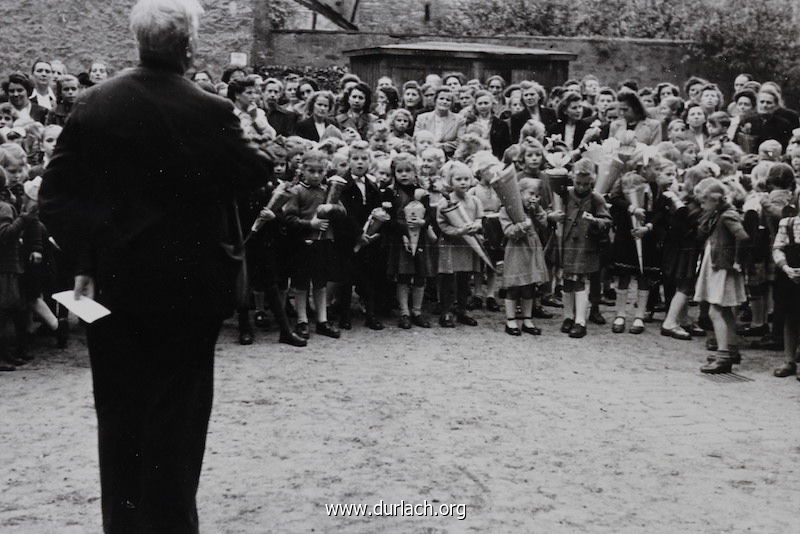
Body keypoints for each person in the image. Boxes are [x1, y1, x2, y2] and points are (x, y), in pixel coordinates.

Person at [38, 1, 273, 532]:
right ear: (189, 45)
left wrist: (91, 251)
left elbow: (54, 198)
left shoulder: (94, 102)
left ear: (136, 41)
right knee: (178, 417)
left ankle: (122, 524)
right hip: (190, 289)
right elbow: (254, 169)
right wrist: (259, 142)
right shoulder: (209, 110)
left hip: (112, 285)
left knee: (118, 411)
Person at [283, 150, 342, 340]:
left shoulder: (328, 192)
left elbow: (342, 212)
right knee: (301, 284)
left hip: (323, 243)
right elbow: (289, 218)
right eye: (311, 171)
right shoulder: (296, 191)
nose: (316, 175)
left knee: (320, 283)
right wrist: (310, 224)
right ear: (302, 170)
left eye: (320, 171)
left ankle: (322, 321)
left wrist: (332, 208)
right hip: (303, 244)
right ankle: (302, 321)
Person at [693, 178, 750, 373]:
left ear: (715, 200)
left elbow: (742, 236)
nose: (702, 206)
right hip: (718, 264)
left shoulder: (726, 215)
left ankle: (723, 355)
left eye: (704, 202)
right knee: (726, 311)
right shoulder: (719, 213)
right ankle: (731, 349)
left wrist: (736, 260)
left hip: (721, 266)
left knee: (715, 311)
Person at [556, 159, 611, 338]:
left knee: (579, 280)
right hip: (566, 244)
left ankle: (580, 320)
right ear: (572, 179)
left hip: (585, 246)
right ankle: (568, 317)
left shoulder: (596, 198)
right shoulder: (566, 195)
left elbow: (607, 220)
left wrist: (595, 221)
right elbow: (553, 210)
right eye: (578, 183)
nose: (581, 187)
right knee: (567, 282)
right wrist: (553, 216)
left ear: (592, 182)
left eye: (586, 184)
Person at [499, 176, 549, 336]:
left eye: (537, 195)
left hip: (532, 250)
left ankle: (527, 319)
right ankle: (511, 320)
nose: (534, 198)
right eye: (531, 194)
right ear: (519, 193)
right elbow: (508, 232)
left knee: (529, 286)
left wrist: (538, 210)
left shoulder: (534, 210)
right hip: (517, 251)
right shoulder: (507, 209)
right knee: (514, 287)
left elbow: (544, 223)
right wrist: (522, 226)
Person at [436, 161, 483, 327]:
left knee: (464, 279)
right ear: (450, 181)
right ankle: (446, 312)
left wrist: (477, 225)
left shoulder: (475, 201)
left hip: (468, 246)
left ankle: (462, 310)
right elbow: (442, 224)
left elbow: (479, 217)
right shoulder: (445, 202)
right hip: (451, 244)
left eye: (466, 179)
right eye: (458, 179)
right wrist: (458, 232)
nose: (463, 182)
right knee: (448, 280)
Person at [414, 87, 466, 158]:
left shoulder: (459, 119)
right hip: (424, 155)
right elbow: (416, 139)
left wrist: (441, 146)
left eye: (448, 100)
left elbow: (460, 142)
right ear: (435, 101)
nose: (444, 102)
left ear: (451, 104)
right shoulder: (422, 118)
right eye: (441, 99)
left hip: (449, 156)